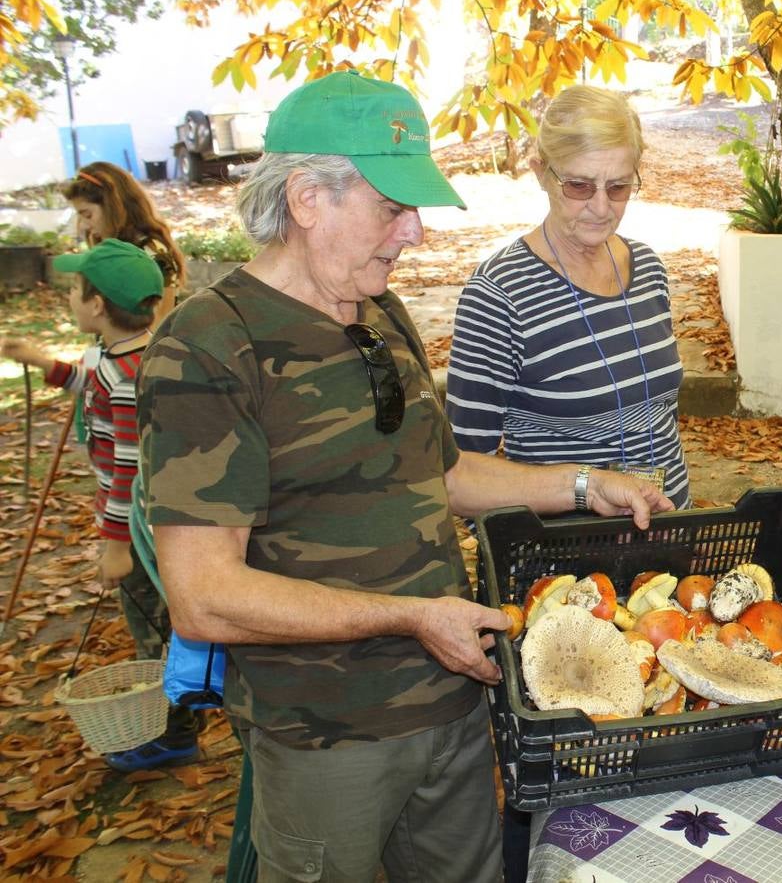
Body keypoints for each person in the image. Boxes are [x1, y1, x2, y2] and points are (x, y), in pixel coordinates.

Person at [136, 70, 673, 883]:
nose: (416, 232)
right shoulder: (210, 346)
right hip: (331, 735)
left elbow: (444, 473)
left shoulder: (378, 313)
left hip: (453, 699)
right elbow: (203, 594)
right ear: (309, 198)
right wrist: (408, 618)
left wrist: (579, 484)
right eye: (393, 209)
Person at [2, 239, 201, 769]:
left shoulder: (124, 375)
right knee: (162, 627)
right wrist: (42, 362)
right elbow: (84, 381)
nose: (68, 295)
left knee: (156, 632)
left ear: (95, 307)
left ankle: (172, 730)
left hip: (142, 531)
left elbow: (129, 475)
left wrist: (116, 546)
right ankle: (175, 719)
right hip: (146, 525)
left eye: (73, 288)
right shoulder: (128, 356)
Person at [447, 85, 692, 509]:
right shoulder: (499, 295)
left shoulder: (648, 268)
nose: (601, 207)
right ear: (541, 172)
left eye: (618, 187)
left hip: (667, 537)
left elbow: (658, 417)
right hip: (564, 560)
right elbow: (460, 473)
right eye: (579, 186)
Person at [62, 161, 187, 327]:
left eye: (87, 214)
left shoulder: (153, 254)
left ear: (113, 207)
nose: (84, 225)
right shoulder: (111, 249)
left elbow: (158, 326)